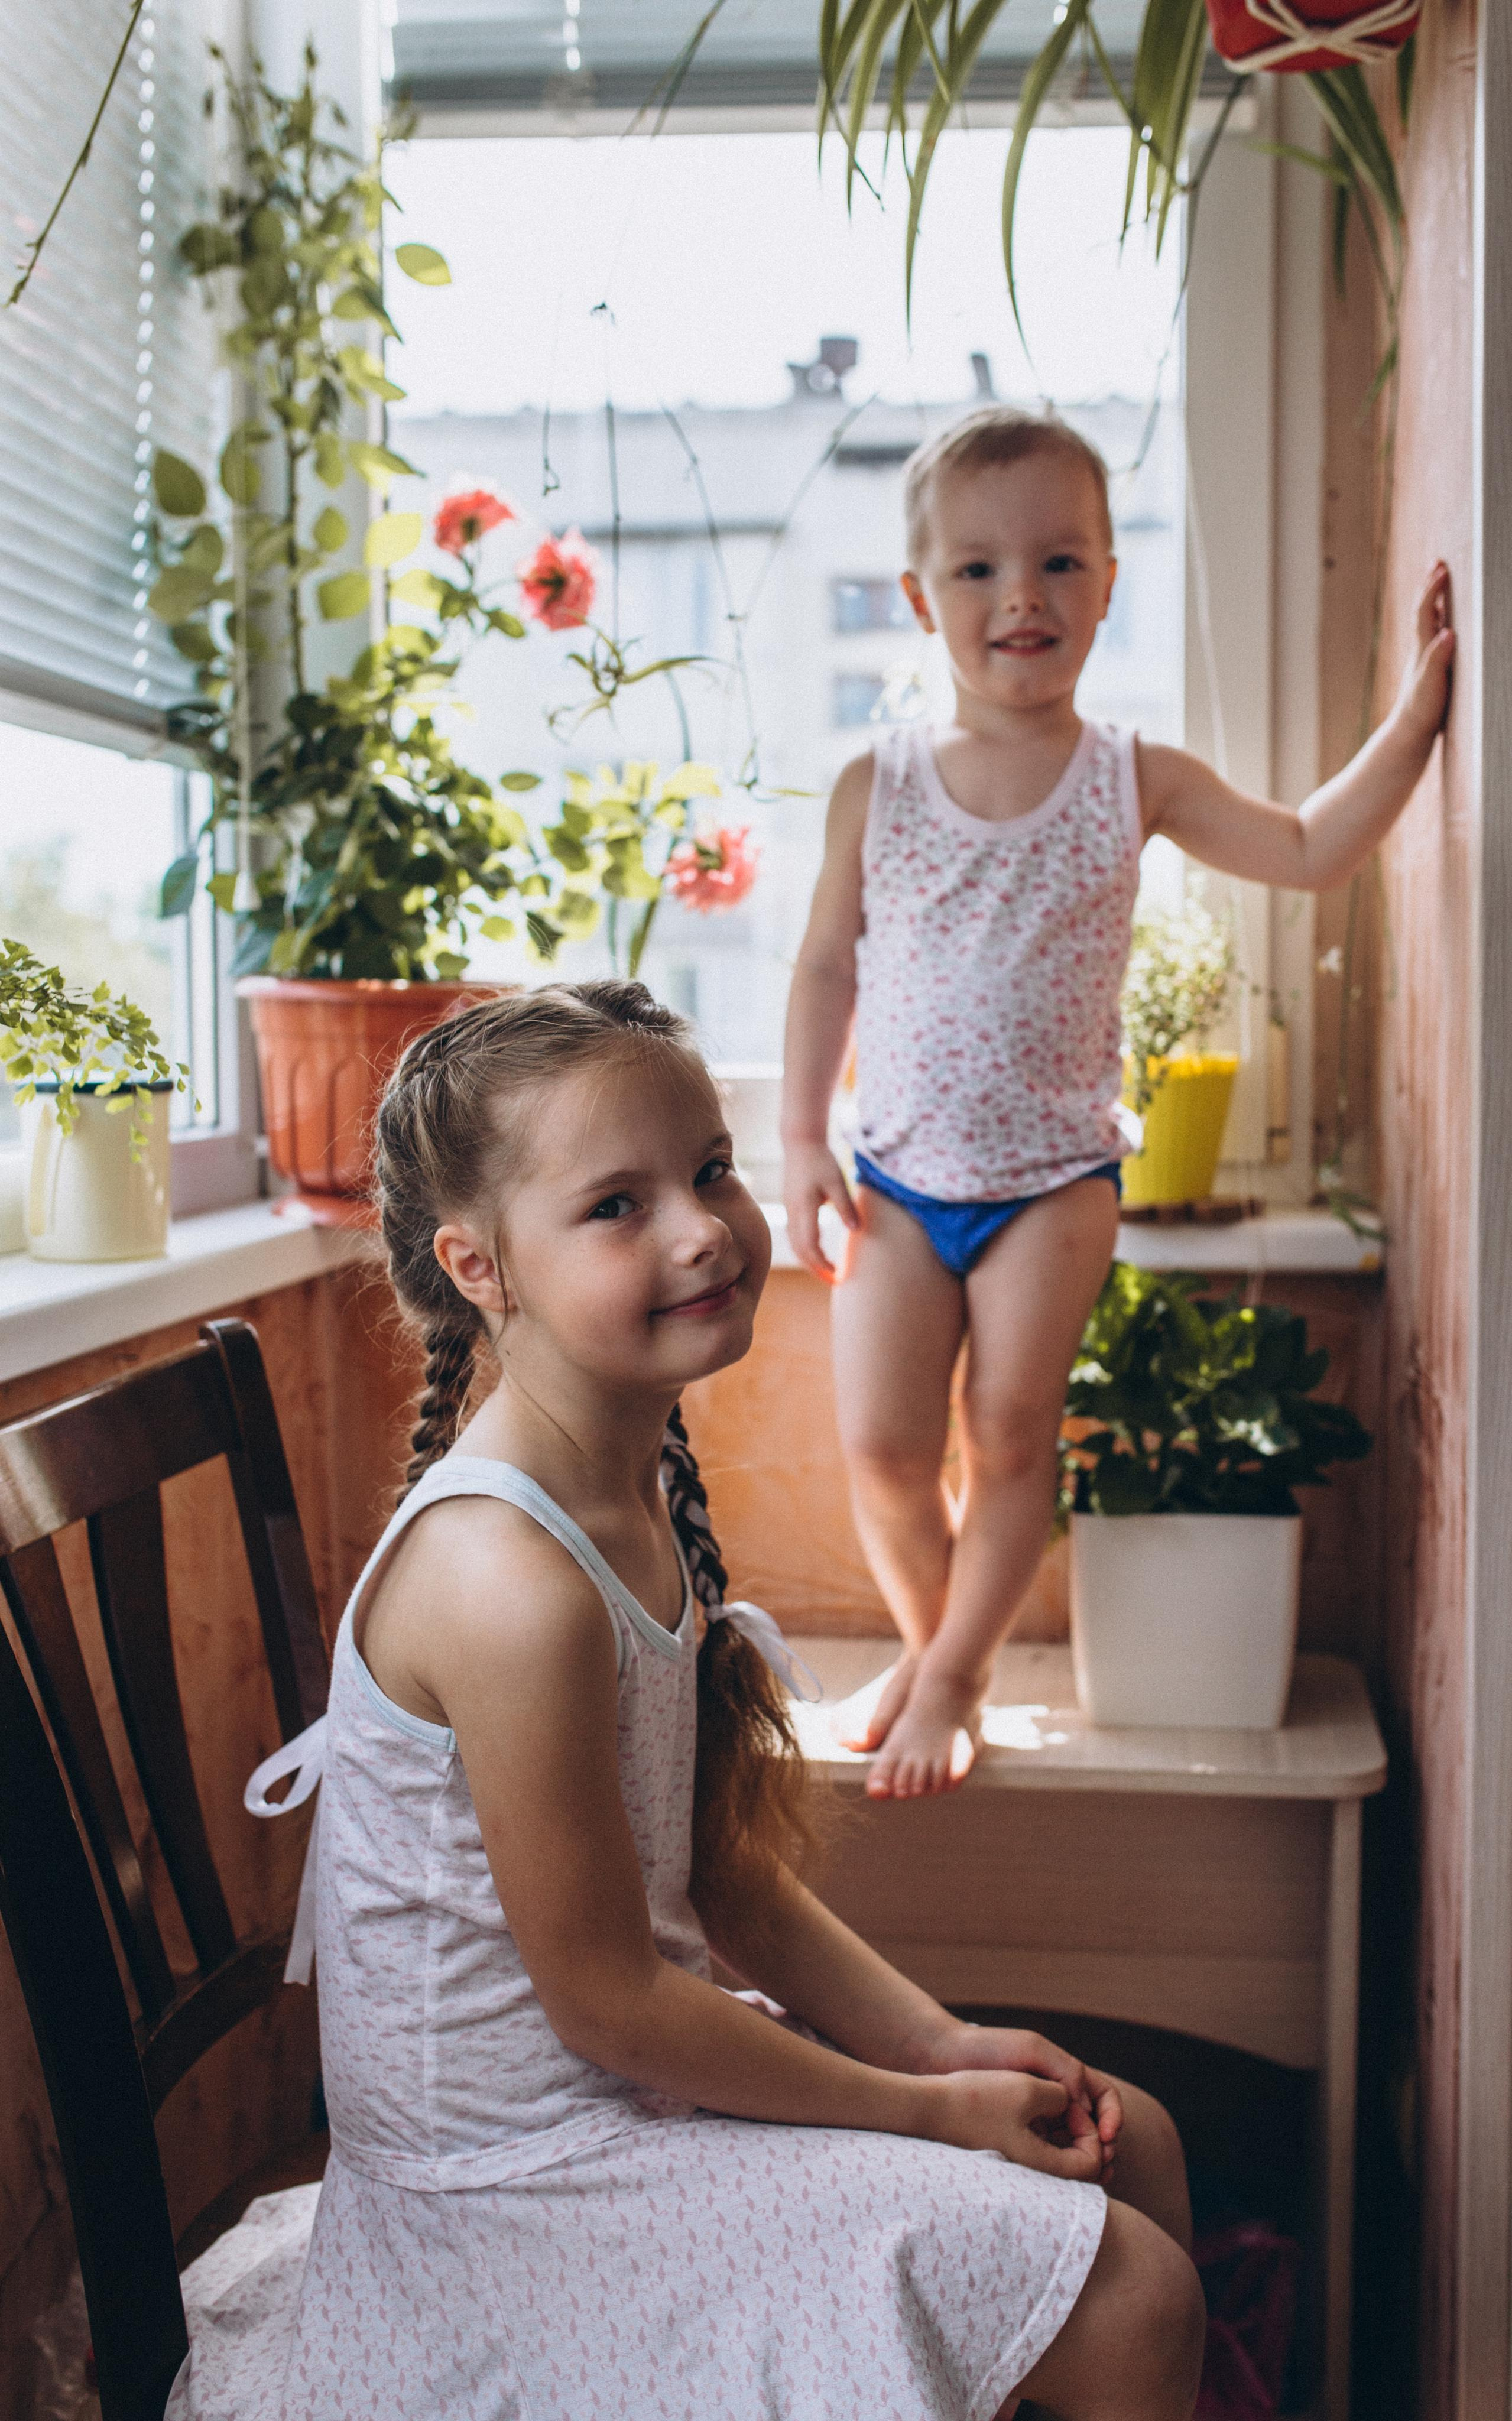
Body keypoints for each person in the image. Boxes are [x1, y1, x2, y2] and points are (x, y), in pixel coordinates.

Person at [202, 982, 1203, 2421]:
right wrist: (921, 2112)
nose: (697, 1226)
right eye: (615, 1204)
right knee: (1134, 2290)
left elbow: (716, 1874)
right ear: (480, 1265)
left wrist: (936, 2044)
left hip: (622, 2106)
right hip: (517, 2206)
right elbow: (608, 1997)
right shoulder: (506, 1581)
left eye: (711, 1168)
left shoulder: (620, 1493)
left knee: (1136, 2140)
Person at [781, 405, 1455, 1800]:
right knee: (885, 1447)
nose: (1018, 594)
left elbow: (1313, 846)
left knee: (1012, 1429)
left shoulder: (1130, 776)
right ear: (919, 599)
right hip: (900, 1180)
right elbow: (824, 962)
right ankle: (933, 1644)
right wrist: (796, 1137)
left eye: (1058, 562)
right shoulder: (878, 783)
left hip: (1051, 1184)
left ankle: (957, 1677)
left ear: (1105, 581)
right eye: (975, 570)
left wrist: (1417, 714)